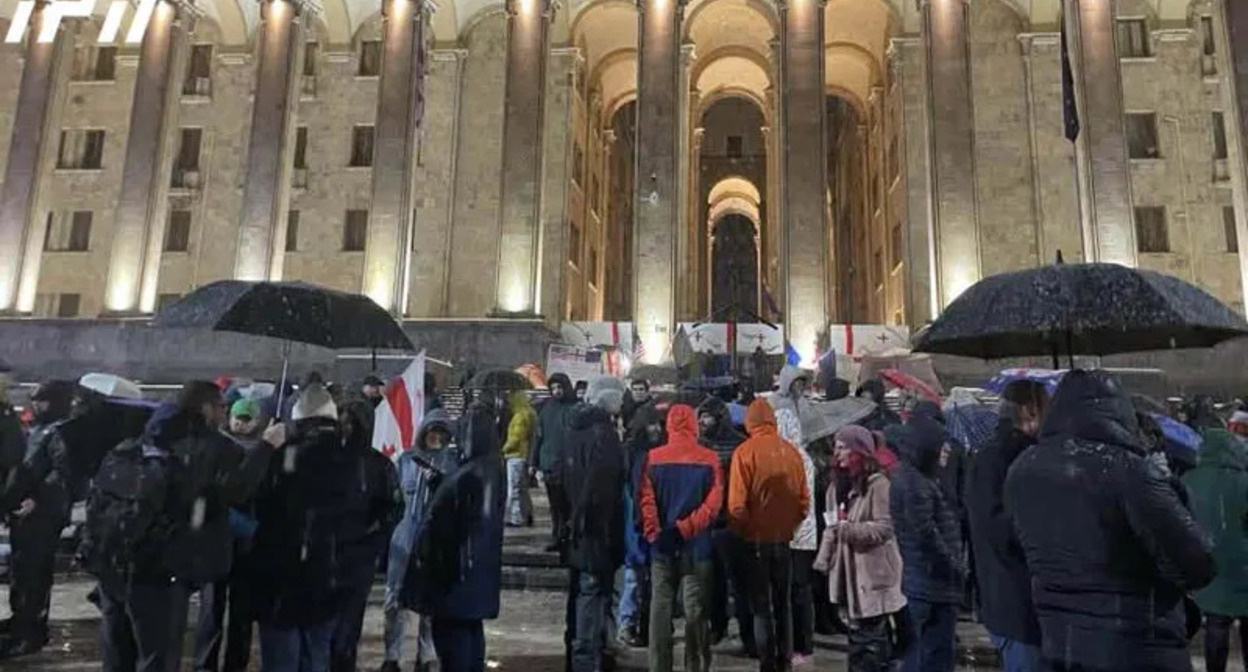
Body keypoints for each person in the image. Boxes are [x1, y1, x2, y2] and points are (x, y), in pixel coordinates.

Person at [1005, 370, 1216, 672]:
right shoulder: (1130, 471)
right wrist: (1179, 497)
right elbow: (1198, 565)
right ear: (1120, 411)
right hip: (1137, 648)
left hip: (1060, 645)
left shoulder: (1022, 469)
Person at [83, 381, 280, 672]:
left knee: (117, 653)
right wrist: (266, 447)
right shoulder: (213, 445)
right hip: (161, 568)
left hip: (114, 560)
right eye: (221, 406)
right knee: (157, 657)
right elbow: (234, 490)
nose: (224, 414)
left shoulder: (143, 437)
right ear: (206, 408)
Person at [249, 383, 354, 672]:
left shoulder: (282, 459)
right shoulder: (351, 460)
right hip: (328, 582)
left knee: (282, 661)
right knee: (316, 659)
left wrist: (265, 447)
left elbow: (250, 499)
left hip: (281, 583)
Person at [405, 403, 505, 672]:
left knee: (454, 646)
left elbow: (444, 526)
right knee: (471, 637)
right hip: (476, 578)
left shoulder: (468, 476)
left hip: (455, 580)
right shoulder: (490, 469)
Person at [965, 380, 1048, 672]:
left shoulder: (1015, 453)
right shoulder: (1002, 457)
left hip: (1018, 601)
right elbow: (998, 528)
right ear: (1029, 410)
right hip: (1016, 601)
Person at [813, 425, 905, 672]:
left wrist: (847, 529)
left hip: (873, 574)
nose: (837, 452)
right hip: (847, 575)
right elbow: (830, 527)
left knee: (870, 640)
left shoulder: (878, 485)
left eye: (843, 447)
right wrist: (823, 560)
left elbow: (885, 528)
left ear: (859, 451)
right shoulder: (835, 486)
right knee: (858, 638)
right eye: (836, 447)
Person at [728, 399, 811, 672]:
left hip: (756, 542)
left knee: (762, 606)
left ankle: (767, 663)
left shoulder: (744, 453)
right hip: (784, 539)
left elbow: (736, 505)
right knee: (783, 603)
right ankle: (785, 661)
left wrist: (745, 532)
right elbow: (803, 502)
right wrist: (790, 527)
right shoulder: (792, 453)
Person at [640, 403, 724, 672]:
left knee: (660, 608)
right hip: (697, 547)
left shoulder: (653, 458)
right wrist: (685, 529)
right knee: (695, 612)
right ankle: (695, 665)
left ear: (669, 426)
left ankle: (659, 666)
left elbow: (646, 501)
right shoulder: (710, 459)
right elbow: (713, 506)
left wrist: (657, 533)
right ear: (694, 424)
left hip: (662, 547)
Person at [379, 409, 459, 672]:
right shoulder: (406, 461)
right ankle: (392, 656)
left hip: (433, 541)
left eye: (441, 432)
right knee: (394, 600)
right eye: (431, 431)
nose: (435, 436)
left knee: (429, 603)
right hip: (403, 539)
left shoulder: (451, 464)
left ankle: (426, 655)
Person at [0, 380, 75, 658]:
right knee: (21, 572)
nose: (36, 405)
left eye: (41, 400)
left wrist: (38, 500)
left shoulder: (60, 432)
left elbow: (62, 474)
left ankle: (29, 632)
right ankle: (20, 622)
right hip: (24, 512)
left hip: (43, 515)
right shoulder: (39, 428)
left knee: (34, 575)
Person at [193, 397, 268, 672]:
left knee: (240, 611)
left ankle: (234, 663)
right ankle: (206, 663)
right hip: (221, 537)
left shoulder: (264, 450)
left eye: (247, 419)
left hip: (246, 540)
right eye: (239, 417)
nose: (241, 423)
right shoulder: (221, 448)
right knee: (211, 608)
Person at [559, 375, 627, 672]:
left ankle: (577, 653)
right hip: (597, 531)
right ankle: (587, 659)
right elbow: (603, 487)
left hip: (576, 527)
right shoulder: (605, 435)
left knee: (580, 592)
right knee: (593, 593)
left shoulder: (574, 429)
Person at [331, 399, 402, 672]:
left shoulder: (378, 465)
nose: (345, 429)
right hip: (328, 551)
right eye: (342, 423)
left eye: (350, 423)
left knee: (349, 621)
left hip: (358, 554)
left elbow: (394, 508)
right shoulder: (329, 459)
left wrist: (374, 538)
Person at [888, 414, 962, 672]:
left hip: (929, 583)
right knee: (930, 656)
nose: (947, 450)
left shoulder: (919, 478)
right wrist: (954, 567)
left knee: (927, 653)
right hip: (931, 584)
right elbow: (926, 535)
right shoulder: (915, 484)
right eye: (942, 444)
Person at [1184, 428, 1248, 672]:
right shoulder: (1244, 482)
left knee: (1216, 623)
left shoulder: (1188, 480)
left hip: (1208, 561)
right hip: (1243, 565)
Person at [697, 396, 753, 652]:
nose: (701, 421)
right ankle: (717, 627)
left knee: (741, 584)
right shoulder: (700, 446)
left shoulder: (740, 445)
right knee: (713, 582)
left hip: (733, 523)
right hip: (709, 523)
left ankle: (748, 634)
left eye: (706, 416)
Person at [769, 365, 816, 666]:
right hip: (795, 530)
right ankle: (797, 644)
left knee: (795, 589)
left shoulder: (796, 459)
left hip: (794, 530)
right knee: (795, 588)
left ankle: (800, 644)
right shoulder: (800, 458)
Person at [619, 401, 665, 648]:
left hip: (648, 521)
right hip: (636, 523)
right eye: (652, 424)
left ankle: (641, 625)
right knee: (634, 578)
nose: (656, 429)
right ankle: (627, 624)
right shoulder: (634, 452)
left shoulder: (656, 452)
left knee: (644, 578)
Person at [532, 373, 578, 552]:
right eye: (554, 388)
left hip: (568, 464)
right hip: (550, 464)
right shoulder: (547, 409)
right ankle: (557, 535)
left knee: (566, 504)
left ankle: (566, 536)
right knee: (555, 505)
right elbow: (539, 436)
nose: (557, 391)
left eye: (560, 388)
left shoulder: (574, 407)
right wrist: (533, 462)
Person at [502, 389, 536, 527]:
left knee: (514, 488)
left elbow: (515, 438)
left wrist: (503, 450)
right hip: (524, 455)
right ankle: (528, 514)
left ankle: (515, 517)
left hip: (515, 455)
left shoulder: (519, 417)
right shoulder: (530, 414)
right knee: (522, 488)